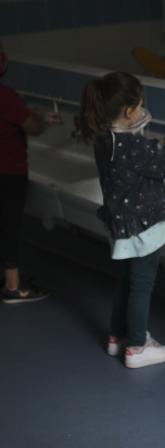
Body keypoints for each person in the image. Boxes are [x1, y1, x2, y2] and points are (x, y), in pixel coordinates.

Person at [79, 71, 165, 369]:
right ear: (129, 112)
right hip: (144, 228)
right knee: (142, 286)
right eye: (140, 107)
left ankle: (117, 336)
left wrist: (163, 143)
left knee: (126, 282)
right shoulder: (133, 147)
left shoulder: (105, 140)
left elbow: (145, 162)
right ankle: (138, 347)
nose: (143, 112)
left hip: (121, 225)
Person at [0, 40, 62, 304]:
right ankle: (13, 288)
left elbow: (16, 115)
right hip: (8, 172)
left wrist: (34, 113)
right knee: (9, 227)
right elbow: (32, 127)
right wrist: (44, 121)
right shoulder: (5, 96)